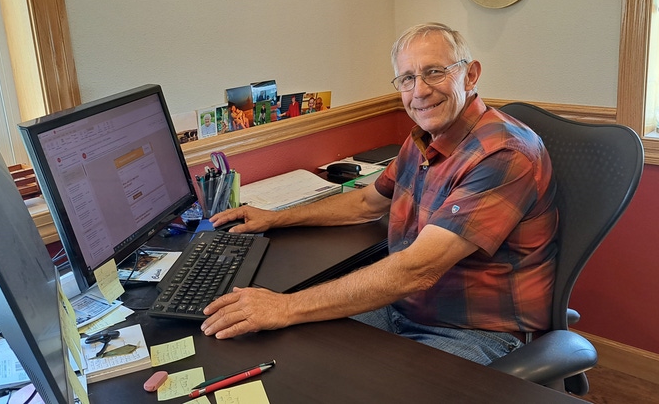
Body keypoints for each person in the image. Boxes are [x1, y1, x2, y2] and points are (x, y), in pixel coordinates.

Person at [203, 22, 558, 365]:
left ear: (470, 74)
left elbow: (417, 270)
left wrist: (284, 306)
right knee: (294, 360)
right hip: (404, 305)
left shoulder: (504, 152)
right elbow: (364, 203)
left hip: (476, 329)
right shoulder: (423, 138)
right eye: (407, 78)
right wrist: (276, 218)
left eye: (435, 72)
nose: (419, 91)